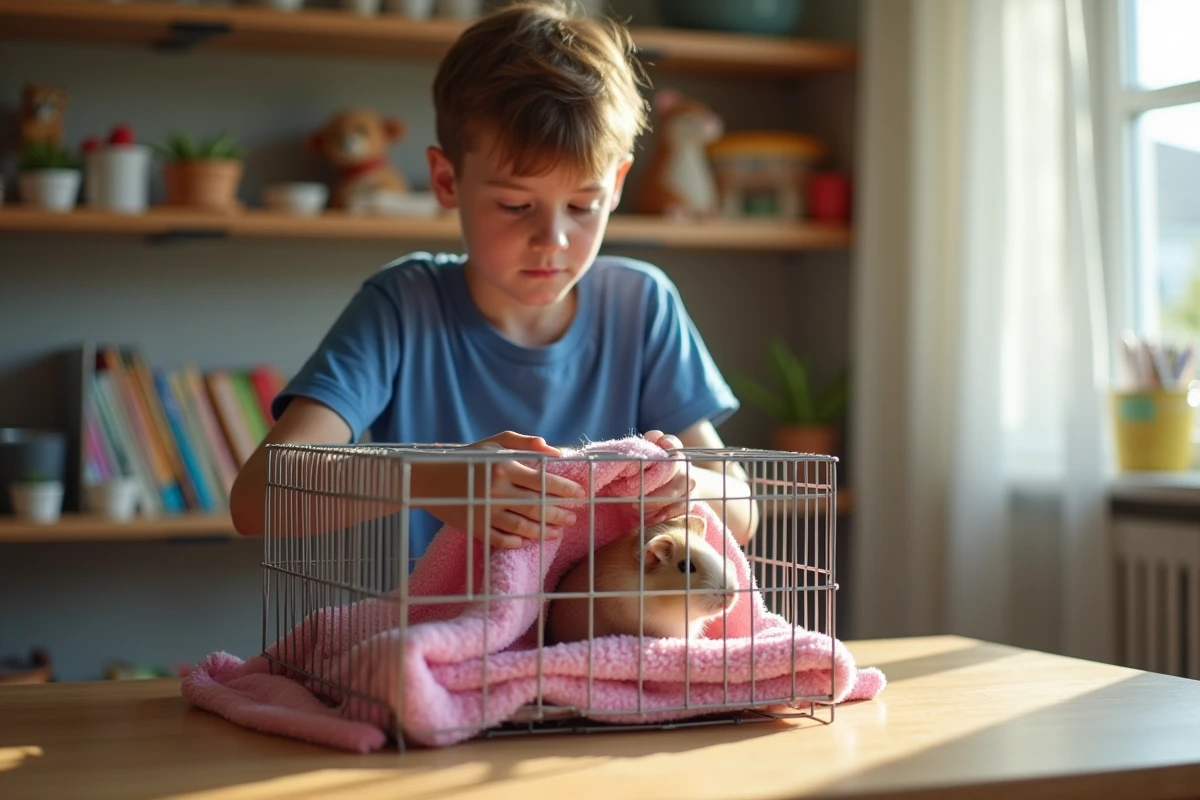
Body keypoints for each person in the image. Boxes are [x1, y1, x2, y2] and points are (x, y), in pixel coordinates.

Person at [229, 0, 759, 557]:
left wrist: (683, 482)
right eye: (514, 205)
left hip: (607, 613)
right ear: (446, 180)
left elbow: (741, 513)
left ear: (617, 185)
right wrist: (434, 478)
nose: (552, 239)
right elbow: (256, 499)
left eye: (582, 206)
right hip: (449, 614)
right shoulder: (402, 305)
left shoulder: (641, 304)